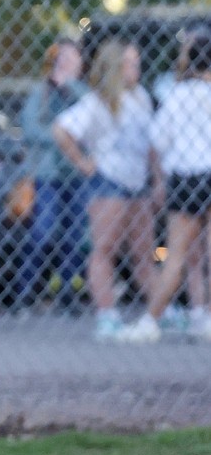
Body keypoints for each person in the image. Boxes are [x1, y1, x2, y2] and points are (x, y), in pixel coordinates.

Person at [52, 39, 156, 340]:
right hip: (109, 180)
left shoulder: (140, 97)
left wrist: (156, 177)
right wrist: (83, 162)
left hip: (137, 182)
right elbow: (61, 130)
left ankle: (159, 309)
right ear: (115, 67)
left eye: (137, 62)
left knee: (143, 253)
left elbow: (149, 143)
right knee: (105, 248)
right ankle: (106, 315)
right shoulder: (98, 101)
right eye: (130, 63)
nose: (136, 68)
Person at [121, 27, 211, 343]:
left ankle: (151, 322)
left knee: (178, 254)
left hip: (186, 176)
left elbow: (158, 139)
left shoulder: (176, 94)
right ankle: (203, 316)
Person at [17, 38, 89, 308]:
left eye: (74, 59)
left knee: (75, 236)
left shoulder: (81, 91)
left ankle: (68, 292)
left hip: (76, 174)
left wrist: (71, 85)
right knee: (43, 232)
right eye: (65, 59)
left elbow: (93, 116)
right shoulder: (42, 92)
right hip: (47, 174)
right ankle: (25, 291)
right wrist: (61, 138)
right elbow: (30, 127)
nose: (70, 63)